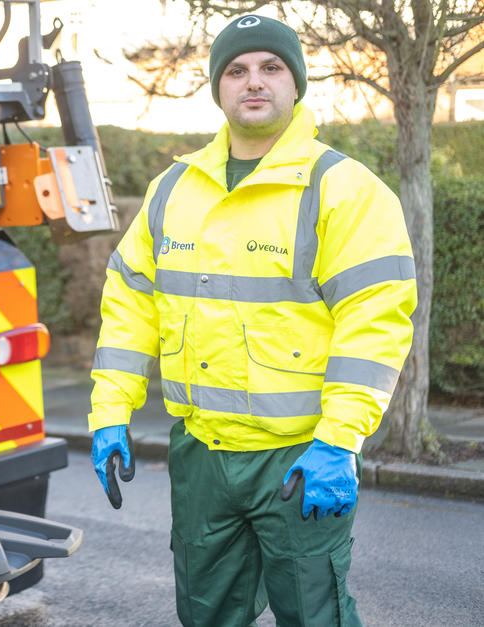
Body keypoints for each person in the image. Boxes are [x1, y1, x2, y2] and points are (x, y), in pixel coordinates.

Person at [88, 14, 417, 627]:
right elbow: (130, 308)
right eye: (236, 70)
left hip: (299, 457)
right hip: (202, 457)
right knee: (207, 615)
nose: (253, 81)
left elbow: (374, 323)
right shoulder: (173, 190)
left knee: (314, 615)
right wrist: (109, 413)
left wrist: (341, 437)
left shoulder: (344, 190)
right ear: (218, 89)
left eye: (271, 67)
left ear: (296, 85)